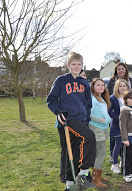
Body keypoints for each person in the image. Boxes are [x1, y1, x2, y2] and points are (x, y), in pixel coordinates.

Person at [47, 52, 96, 190]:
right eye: (73, 64)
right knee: (89, 137)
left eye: (79, 64)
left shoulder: (84, 83)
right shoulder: (61, 80)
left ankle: (70, 183)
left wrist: (86, 119)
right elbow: (51, 100)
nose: (76, 66)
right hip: (68, 120)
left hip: (82, 121)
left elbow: (88, 104)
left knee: (75, 152)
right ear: (68, 65)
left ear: (82, 66)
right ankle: (84, 172)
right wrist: (58, 112)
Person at [107, 62, 132, 163]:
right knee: (116, 141)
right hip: (116, 119)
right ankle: (114, 158)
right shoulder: (112, 82)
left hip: (128, 120)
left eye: (122, 69)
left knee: (126, 140)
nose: (121, 71)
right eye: (119, 69)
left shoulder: (131, 81)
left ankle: (124, 160)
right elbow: (108, 99)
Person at [89, 78, 111, 188]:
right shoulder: (92, 99)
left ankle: (98, 174)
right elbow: (89, 114)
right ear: (93, 87)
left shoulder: (101, 98)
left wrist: (107, 119)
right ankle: (95, 179)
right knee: (101, 152)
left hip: (103, 128)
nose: (101, 87)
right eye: (98, 85)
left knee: (99, 152)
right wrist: (101, 120)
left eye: (103, 85)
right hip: (96, 128)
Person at [108, 79, 129, 174]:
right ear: (117, 87)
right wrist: (119, 118)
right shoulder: (113, 98)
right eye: (120, 86)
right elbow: (109, 111)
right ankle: (114, 164)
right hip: (117, 125)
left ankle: (122, 162)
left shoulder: (128, 97)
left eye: (124, 86)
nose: (122, 88)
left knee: (125, 144)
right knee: (118, 144)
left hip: (127, 126)